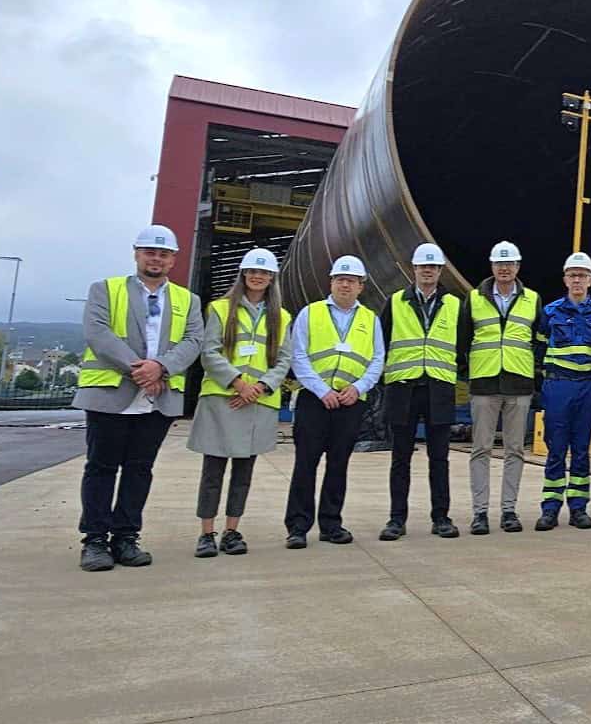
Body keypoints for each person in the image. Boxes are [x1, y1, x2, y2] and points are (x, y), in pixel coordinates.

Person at [73, 225, 203, 571]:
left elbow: (193, 341)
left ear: (173, 259)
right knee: (101, 468)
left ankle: (127, 538)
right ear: (136, 253)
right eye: (149, 252)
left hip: (157, 398)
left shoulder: (188, 300)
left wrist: (160, 367)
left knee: (139, 470)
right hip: (111, 394)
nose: (156, 258)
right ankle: (95, 541)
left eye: (163, 253)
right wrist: (140, 370)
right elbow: (97, 333)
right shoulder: (105, 289)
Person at [188, 247, 292, 558]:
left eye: (264, 273)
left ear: (272, 278)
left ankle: (232, 530)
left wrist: (259, 387)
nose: (258, 276)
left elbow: (283, 360)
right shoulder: (220, 309)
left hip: (257, 402)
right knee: (213, 471)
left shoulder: (282, 317)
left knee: (243, 472)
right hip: (223, 399)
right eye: (253, 271)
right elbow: (210, 352)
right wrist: (238, 383)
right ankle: (207, 533)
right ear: (244, 274)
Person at [284, 255, 385, 548]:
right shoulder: (310, 313)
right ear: (331, 282)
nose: (345, 284)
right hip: (315, 401)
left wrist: (358, 388)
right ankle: (298, 526)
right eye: (341, 279)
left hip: (351, 401)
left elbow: (377, 359)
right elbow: (298, 355)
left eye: (351, 280)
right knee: (306, 463)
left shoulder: (370, 319)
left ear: (361, 286)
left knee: (338, 464)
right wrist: (320, 390)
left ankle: (331, 523)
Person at [379, 243, 461, 541]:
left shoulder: (454, 305)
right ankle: (396, 519)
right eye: (423, 266)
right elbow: (382, 343)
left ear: (440, 271)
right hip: (403, 389)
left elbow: (462, 344)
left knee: (439, 459)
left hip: (438, 388)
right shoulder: (396, 302)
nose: (428, 271)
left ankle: (441, 518)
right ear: (413, 269)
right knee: (400, 458)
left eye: (434, 267)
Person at [458, 240, 541, 534]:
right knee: (480, 449)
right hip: (484, 384)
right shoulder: (474, 298)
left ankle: (509, 510)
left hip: (519, 384)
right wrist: (469, 374)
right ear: (492, 267)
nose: (504, 269)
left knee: (515, 450)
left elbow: (538, 340)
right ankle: (480, 512)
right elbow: (462, 340)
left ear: (517, 267)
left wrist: (534, 375)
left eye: (510, 264)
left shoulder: (532, 299)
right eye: (499, 264)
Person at [535, 251, 591, 530]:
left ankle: (578, 508)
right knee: (556, 449)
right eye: (573, 275)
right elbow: (540, 348)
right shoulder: (551, 312)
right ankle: (550, 508)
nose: (577, 280)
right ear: (565, 279)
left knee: (580, 450)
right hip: (558, 386)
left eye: (582, 276)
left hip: (587, 387)